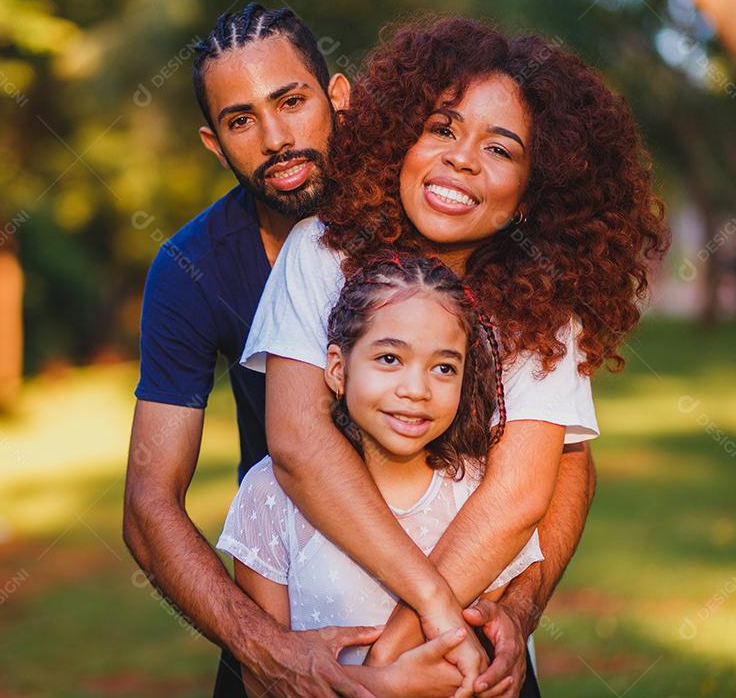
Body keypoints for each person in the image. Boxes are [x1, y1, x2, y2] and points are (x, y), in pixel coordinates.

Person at [125, 5, 605, 698]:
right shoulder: (258, 258)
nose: (275, 138)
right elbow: (162, 499)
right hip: (299, 598)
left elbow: (554, 471)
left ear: (340, 99)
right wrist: (274, 653)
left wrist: (513, 610)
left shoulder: (519, 276)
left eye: (291, 102)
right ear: (214, 141)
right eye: (241, 120)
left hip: (464, 618)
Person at [243, 15, 669, 696]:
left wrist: (392, 660)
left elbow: (520, 495)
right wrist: (420, 624)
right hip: (334, 643)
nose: (462, 159)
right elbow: (297, 441)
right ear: (400, 140)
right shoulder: (321, 250)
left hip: (465, 666)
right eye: (441, 129)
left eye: (500, 150)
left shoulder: (543, 307)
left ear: (533, 192)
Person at [220, 255, 544, 698]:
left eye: (444, 367)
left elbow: (476, 669)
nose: (416, 390)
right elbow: (265, 679)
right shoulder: (270, 495)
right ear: (337, 368)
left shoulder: (478, 497)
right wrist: (386, 686)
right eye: (390, 358)